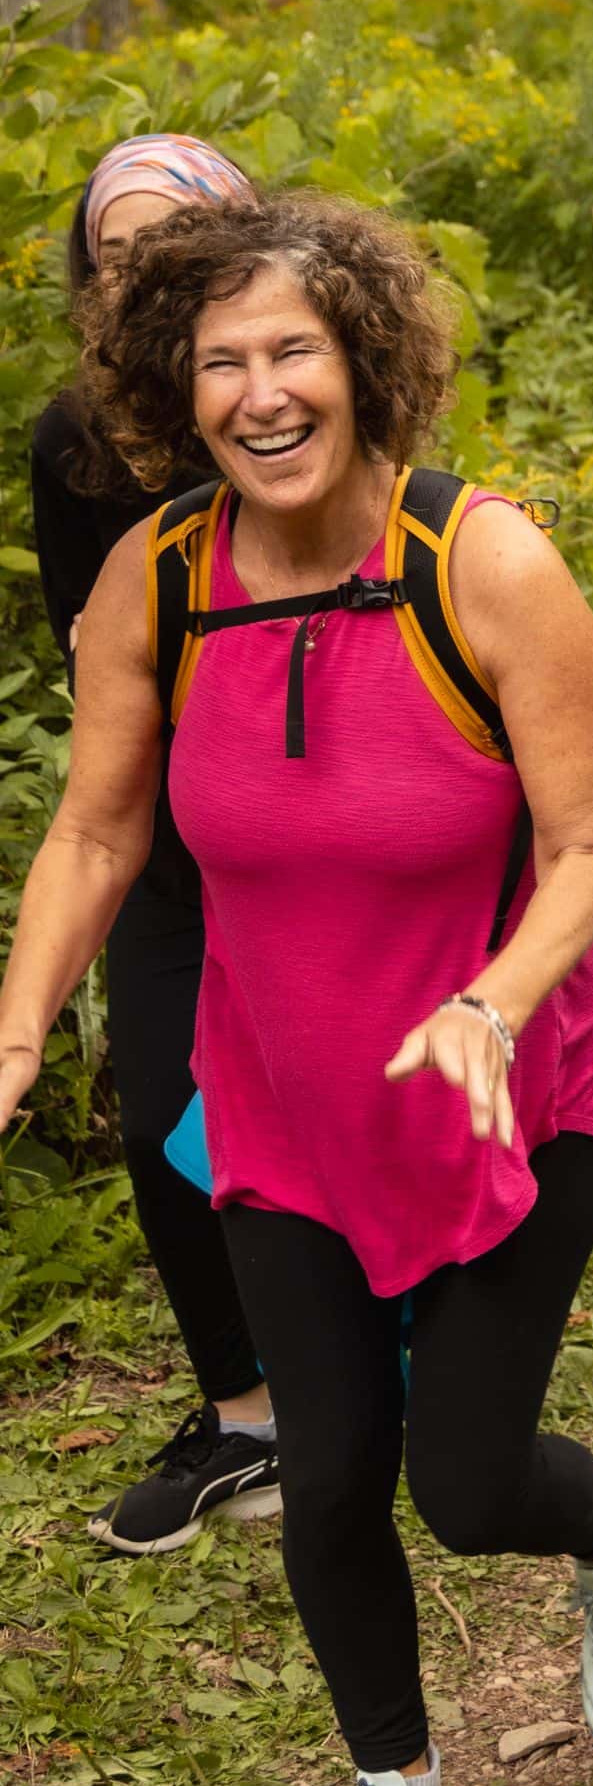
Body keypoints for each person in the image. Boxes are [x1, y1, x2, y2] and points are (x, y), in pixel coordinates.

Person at [0, 192, 593, 1786]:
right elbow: (96, 837)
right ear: (179, 386)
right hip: (286, 1104)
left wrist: (492, 1000)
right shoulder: (153, 587)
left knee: (462, 1484)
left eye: (292, 350)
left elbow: (587, 848)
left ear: (361, 362)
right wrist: (17, 1032)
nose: (260, 394)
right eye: (221, 360)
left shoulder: (488, 564)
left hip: (509, 1083)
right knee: (326, 1477)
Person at [28, 135, 281, 1553]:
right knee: (158, 1109)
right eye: (114, 249)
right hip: (172, 819)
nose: (140, 270)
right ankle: (248, 1415)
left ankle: (400, 1354)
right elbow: (88, 651)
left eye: (170, 239)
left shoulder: (299, 386)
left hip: (320, 805)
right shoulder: (75, 440)